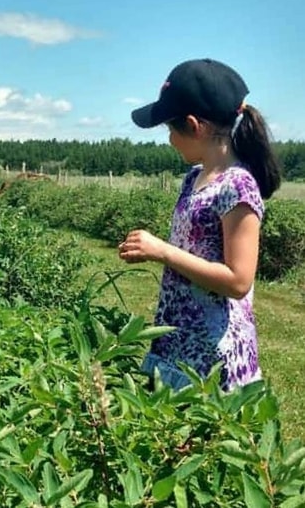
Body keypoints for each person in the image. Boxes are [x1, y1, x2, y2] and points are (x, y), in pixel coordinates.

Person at [119, 58, 281, 392]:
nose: (169, 141)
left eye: (170, 130)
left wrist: (163, 251)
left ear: (194, 126)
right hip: (179, 339)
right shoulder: (195, 178)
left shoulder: (237, 187)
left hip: (214, 354)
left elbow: (238, 280)